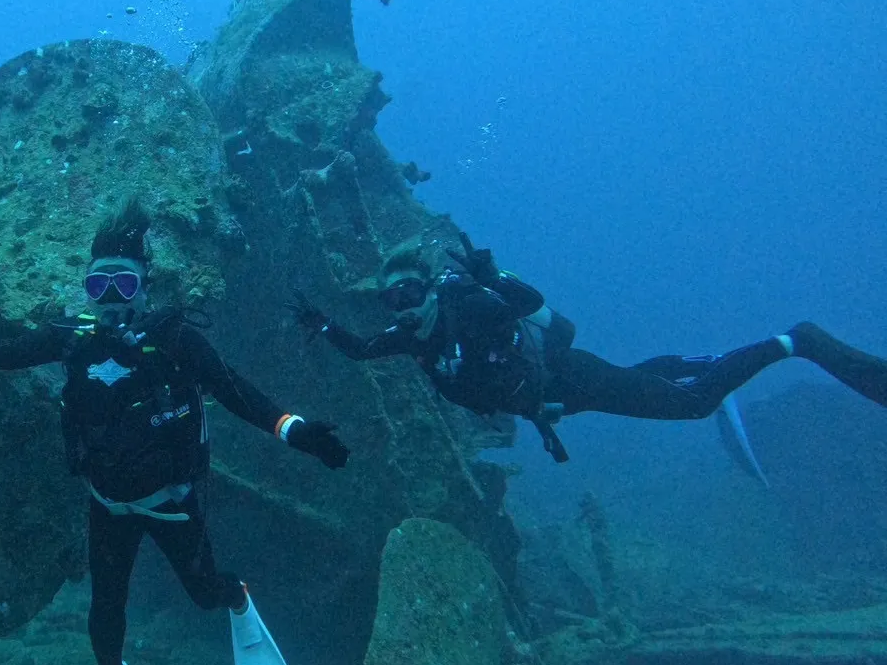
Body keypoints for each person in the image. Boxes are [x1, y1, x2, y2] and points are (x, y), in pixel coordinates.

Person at [0, 199, 349, 665]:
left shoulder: (176, 340)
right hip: (108, 505)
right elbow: (7, 353)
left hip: (173, 504)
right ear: (87, 291)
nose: (113, 298)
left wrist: (295, 430)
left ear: (145, 288)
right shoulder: (72, 338)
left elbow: (237, 392)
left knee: (205, 593)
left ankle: (237, 597)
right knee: (105, 613)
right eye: (100, 286)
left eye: (124, 284)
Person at [289, 234, 887, 469]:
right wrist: (322, 325)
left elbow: (541, 312)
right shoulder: (406, 339)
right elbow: (360, 350)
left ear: (428, 289)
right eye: (392, 300)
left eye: (410, 294)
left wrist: (491, 278)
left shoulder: (467, 305)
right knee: (641, 381)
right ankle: (696, 361)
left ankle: (795, 342)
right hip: (558, 402)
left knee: (693, 406)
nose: (403, 308)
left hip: (570, 378)